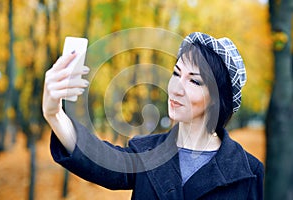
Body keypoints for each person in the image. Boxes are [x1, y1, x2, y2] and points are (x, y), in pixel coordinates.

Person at [43, 32, 264, 199]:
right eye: (176, 74)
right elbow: (100, 158)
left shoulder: (249, 173)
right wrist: (54, 113)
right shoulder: (147, 153)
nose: (177, 88)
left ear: (217, 99)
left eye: (194, 81)